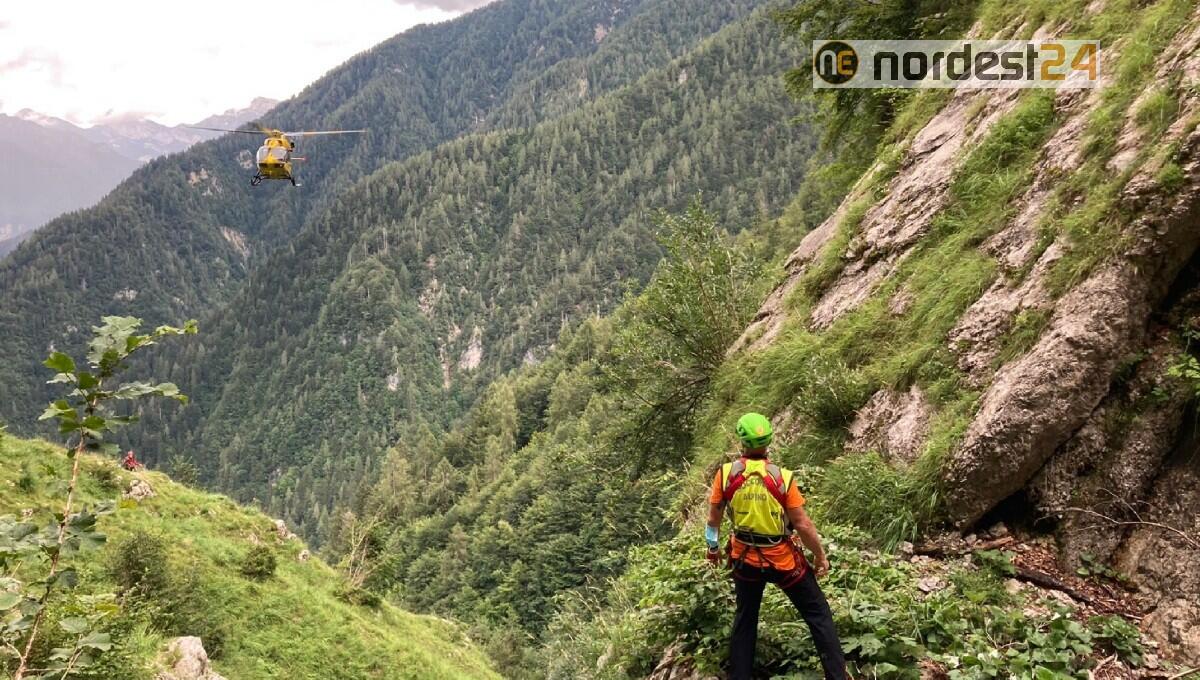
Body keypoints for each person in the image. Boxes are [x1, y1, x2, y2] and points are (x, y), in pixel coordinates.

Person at [705, 412, 847, 680]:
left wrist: (712, 548)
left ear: (741, 441)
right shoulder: (782, 478)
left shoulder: (725, 475)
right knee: (818, 613)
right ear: (769, 440)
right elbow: (802, 524)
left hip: (744, 558)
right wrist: (820, 556)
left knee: (745, 619)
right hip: (782, 560)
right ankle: (837, 676)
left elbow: (713, 520)